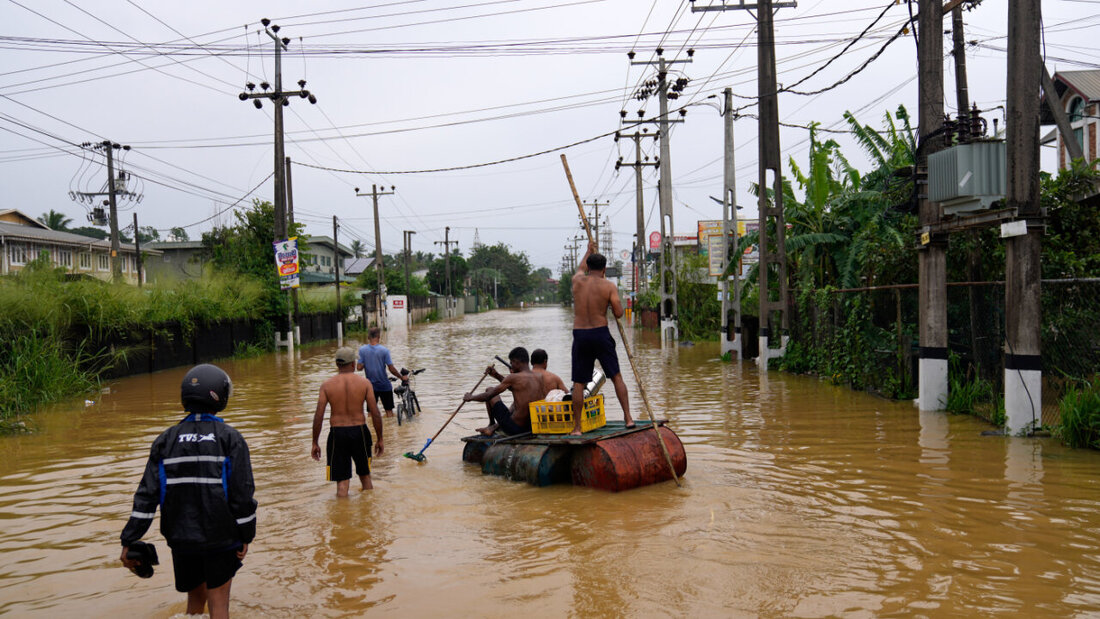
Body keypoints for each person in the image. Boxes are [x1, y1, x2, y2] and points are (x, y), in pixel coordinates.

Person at [119, 364, 256, 619]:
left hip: (182, 538)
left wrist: (128, 540)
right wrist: (247, 534)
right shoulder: (231, 439)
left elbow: (146, 496)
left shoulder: (165, 440)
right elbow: (242, 495)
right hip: (221, 538)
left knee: (194, 605)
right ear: (219, 397)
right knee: (219, 606)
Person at [570, 240, 634, 435]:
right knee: (616, 376)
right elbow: (619, 313)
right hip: (600, 333)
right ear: (604, 269)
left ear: (589, 267)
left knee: (579, 383)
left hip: (580, 334)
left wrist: (588, 251)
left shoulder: (577, 281)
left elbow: (580, 269)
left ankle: (577, 428)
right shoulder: (608, 286)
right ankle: (628, 418)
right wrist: (609, 304)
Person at [313, 347, 385, 497]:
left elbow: (318, 415)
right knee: (365, 476)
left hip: (337, 434)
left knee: (342, 482)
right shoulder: (365, 383)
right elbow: (375, 413)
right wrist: (380, 439)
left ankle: (341, 511)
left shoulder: (326, 385)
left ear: (337, 364)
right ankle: (369, 509)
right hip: (359, 432)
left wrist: (315, 442)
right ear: (353, 364)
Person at [464, 346, 545, 436]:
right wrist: (496, 375)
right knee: (515, 405)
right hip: (531, 427)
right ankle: (492, 426)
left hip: (515, 428)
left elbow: (488, 396)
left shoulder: (514, 377)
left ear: (516, 362)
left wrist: (470, 397)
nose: (511, 366)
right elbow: (514, 387)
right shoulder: (539, 376)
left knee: (489, 390)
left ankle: (491, 424)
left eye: (511, 363)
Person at [356, 327, 406, 417]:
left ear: (368, 337)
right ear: (379, 336)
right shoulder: (384, 350)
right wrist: (401, 377)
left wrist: (367, 361)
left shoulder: (362, 350)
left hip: (370, 387)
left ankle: (371, 426)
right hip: (384, 386)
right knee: (389, 412)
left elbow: (359, 368)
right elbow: (391, 369)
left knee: (370, 413)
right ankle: (390, 426)